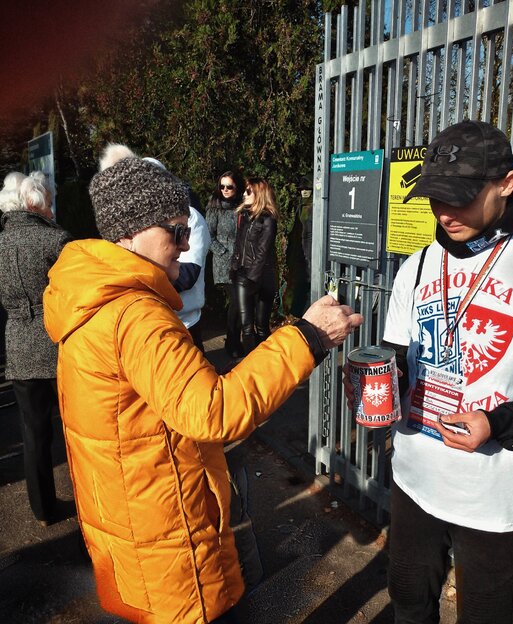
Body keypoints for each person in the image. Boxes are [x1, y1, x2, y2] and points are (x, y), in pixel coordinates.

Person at [42, 145, 362, 624]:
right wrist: (308, 337)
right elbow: (212, 413)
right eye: (173, 230)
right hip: (168, 539)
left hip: (133, 520)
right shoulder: (135, 316)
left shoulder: (91, 300)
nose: (185, 241)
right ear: (129, 233)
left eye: (185, 227)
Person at [345, 120, 513, 623]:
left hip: (497, 500)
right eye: (436, 198)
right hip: (413, 481)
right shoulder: (419, 265)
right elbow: (398, 357)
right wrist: (375, 385)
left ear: (509, 182)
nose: (446, 213)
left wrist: (501, 424)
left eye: (462, 197)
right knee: (407, 602)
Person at [0, 171, 71, 526]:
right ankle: (91, 501)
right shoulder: (56, 241)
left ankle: (43, 510)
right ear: (39, 203)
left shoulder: (1, 244)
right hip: (58, 342)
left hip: (18, 345)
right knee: (77, 428)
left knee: (33, 432)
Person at [143, 156, 211, 351]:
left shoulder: (190, 218)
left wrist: (144, 287)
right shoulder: (141, 222)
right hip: (152, 322)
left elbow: (189, 273)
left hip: (185, 322)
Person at [231, 177, 279, 355]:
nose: (244, 194)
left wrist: (252, 278)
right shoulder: (244, 215)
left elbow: (263, 251)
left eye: (249, 191)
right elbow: (239, 245)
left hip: (261, 276)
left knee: (261, 326)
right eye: (245, 190)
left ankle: (264, 364)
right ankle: (249, 366)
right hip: (244, 274)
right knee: (247, 325)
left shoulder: (268, 218)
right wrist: (235, 268)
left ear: (259, 193)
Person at [206, 170, 244, 358]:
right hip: (224, 264)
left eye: (229, 186)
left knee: (240, 303)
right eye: (222, 186)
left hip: (242, 262)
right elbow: (208, 235)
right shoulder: (214, 208)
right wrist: (223, 252)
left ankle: (234, 340)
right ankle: (232, 342)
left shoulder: (242, 207)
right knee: (237, 302)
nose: (225, 190)